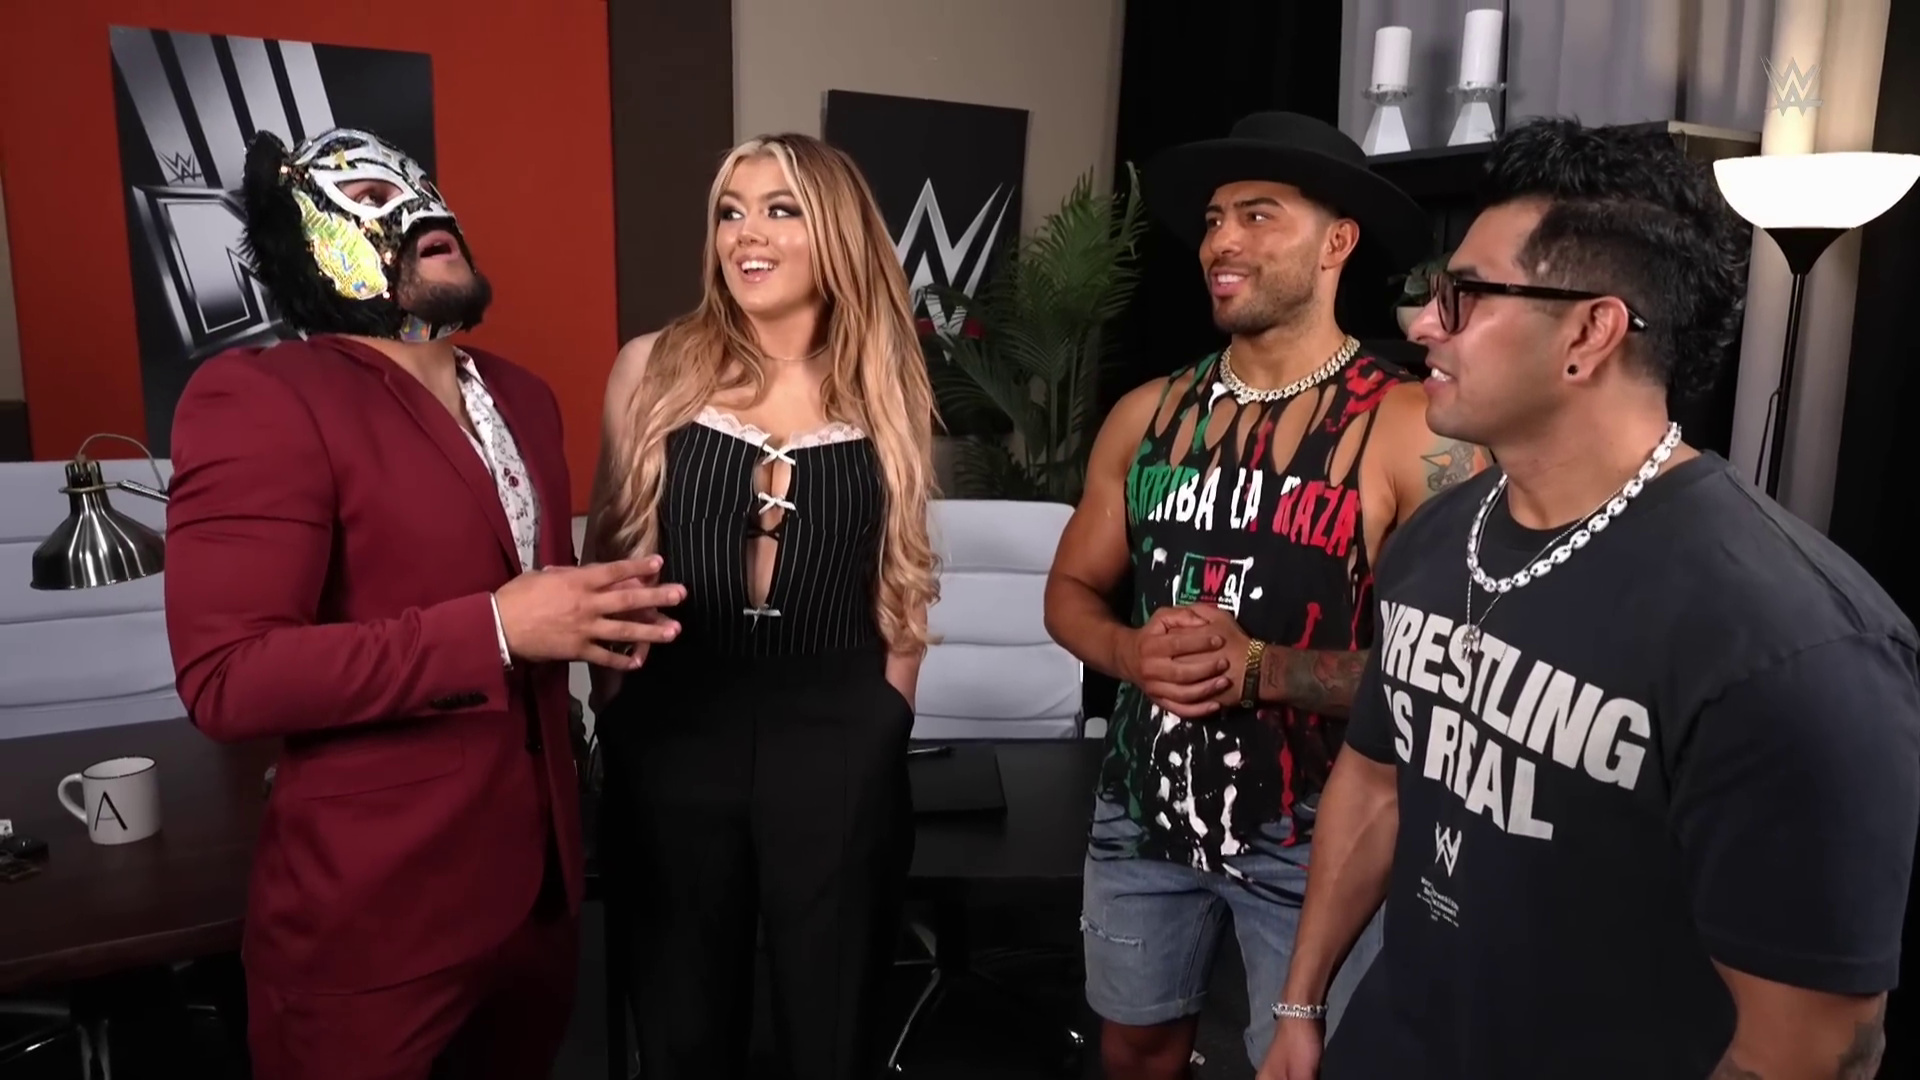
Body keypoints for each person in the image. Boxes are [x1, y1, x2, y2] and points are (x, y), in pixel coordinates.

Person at [1265, 117, 1920, 1080]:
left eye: (1464, 295)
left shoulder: (1792, 644)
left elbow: (1813, 1045)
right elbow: (1376, 782)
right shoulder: (1441, 535)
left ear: (1589, 332)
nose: (1422, 324)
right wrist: (1300, 1005)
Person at [164, 126, 683, 1080]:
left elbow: (548, 607)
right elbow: (228, 678)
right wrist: (495, 630)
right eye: (373, 193)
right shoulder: (260, 397)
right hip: (375, 925)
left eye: (427, 186)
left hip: (539, 905)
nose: (424, 207)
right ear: (310, 239)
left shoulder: (526, 398)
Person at [1044, 111, 1489, 1080]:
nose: (1221, 243)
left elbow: (1458, 670)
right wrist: (1130, 654)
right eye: (1213, 220)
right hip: (1143, 812)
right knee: (1134, 1048)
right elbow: (1070, 591)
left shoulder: (1413, 431)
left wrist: (1262, 669)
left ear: (1338, 242)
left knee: (1308, 1065)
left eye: (1257, 216)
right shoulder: (1147, 414)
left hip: (1321, 830)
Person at [585, 132, 939, 1080]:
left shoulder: (888, 379)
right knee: (682, 1030)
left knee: (831, 1028)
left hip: (839, 734)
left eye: (781, 210)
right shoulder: (652, 366)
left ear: (835, 231)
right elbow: (609, 555)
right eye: (730, 212)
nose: (747, 233)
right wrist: (620, 713)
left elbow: (904, 567)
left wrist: (889, 713)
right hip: (674, 726)